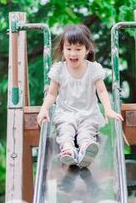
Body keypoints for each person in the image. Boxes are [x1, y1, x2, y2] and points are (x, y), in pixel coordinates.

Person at [37, 24, 123, 168]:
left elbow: (102, 91)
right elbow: (52, 93)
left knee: (87, 131)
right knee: (65, 129)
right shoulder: (59, 69)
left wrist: (108, 109)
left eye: (78, 49)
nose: (73, 54)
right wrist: (44, 109)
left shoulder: (93, 69)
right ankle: (68, 150)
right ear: (63, 49)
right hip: (65, 112)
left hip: (88, 113)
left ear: (87, 50)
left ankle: (85, 150)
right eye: (68, 49)